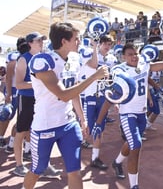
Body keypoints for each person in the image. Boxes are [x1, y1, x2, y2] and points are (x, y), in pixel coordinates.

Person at [22, 22, 109, 189]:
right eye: (76, 39)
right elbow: (63, 95)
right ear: (64, 41)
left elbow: (74, 92)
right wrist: (94, 77)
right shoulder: (42, 61)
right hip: (45, 126)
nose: (79, 42)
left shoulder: (73, 59)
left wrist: (82, 118)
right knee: (37, 169)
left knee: (74, 171)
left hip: (68, 124)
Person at [92, 40, 163, 188]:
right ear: (123, 57)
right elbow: (110, 98)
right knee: (136, 145)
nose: (134, 57)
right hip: (128, 114)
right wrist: (98, 122)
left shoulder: (144, 65)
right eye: (130, 54)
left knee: (131, 143)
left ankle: (117, 162)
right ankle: (134, 185)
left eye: (136, 53)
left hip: (141, 114)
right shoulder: (118, 71)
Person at [14, 32, 61, 178]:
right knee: (21, 131)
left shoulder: (45, 58)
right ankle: (18, 165)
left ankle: (43, 165)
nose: (41, 42)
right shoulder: (23, 59)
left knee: (42, 131)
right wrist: (38, 83)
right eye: (38, 40)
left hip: (41, 100)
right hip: (27, 99)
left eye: (42, 40)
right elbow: (19, 84)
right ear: (30, 43)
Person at [80, 34, 117, 171]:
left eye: (109, 44)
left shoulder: (112, 59)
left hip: (103, 96)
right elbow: (93, 65)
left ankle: (95, 158)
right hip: (89, 95)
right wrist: (94, 47)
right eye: (105, 43)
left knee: (99, 127)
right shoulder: (89, 53)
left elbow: (110, 78)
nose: (107, 47)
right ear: (100, 43)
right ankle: (72, 149)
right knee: (87, 126)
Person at [1, 38, 29, 153]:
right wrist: (8, 94)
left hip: (23, 91)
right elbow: (8, 78)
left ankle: (14, 142)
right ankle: (2, 137)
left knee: (23, 118)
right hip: (13, 90)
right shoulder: (14, 59)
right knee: (7, 115)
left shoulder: (30, 57)